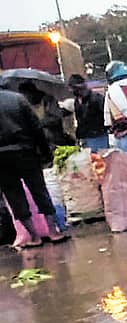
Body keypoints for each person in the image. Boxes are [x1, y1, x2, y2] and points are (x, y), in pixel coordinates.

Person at [0, 87, 69, 249]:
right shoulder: (17, 99)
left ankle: (34, 236)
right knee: (39, 190)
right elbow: (36, 127)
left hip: (1, 158)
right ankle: (53, 232)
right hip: (26, 152)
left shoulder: (17, 99)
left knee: (14, 196)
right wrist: (45, 152)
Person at [17, 82, 74, 149]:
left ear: (31, 92)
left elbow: (57, 118)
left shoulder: (48, 101)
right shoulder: (26, 105)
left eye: (25, 95)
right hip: (40, 143)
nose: (24, 98)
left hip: (55, 140)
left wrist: (40, 123)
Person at [67, 74, 109, 152]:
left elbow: (105, 115)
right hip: (86, 138)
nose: (70, 91)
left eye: (71, 88)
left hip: (98, 137)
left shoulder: (96, 98)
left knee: (101, 160)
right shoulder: (77, 101)